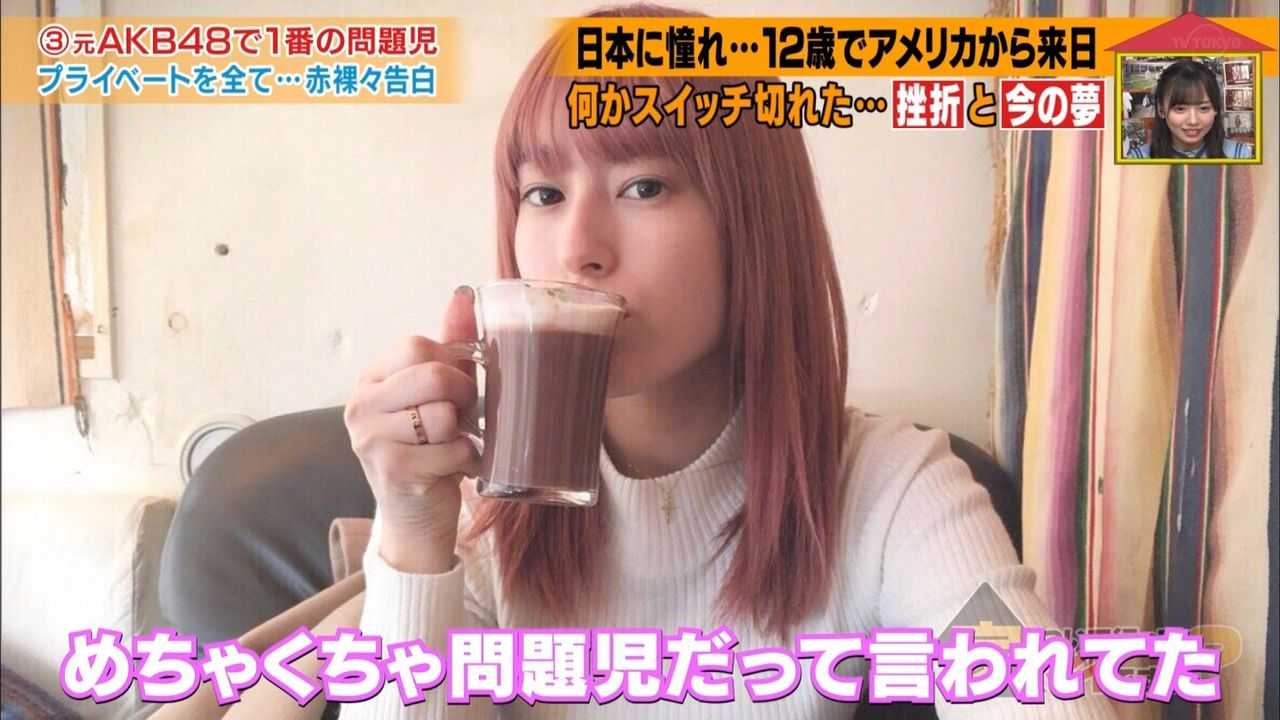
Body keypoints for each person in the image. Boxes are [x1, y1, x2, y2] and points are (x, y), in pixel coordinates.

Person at [164, 4, 1115, 718]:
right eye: (542, 194)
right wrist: (412, 533)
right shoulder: (491, 525)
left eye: (645, 185)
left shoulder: (893, 492)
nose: (577, 247)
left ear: (754, 229)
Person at [1126, 59, 1252, 160]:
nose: (1193, 121)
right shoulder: (1138, 159)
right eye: (1180, 109)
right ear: (1161, 110)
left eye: (1203, 108)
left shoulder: (1238, 155)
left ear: (1216, 109)